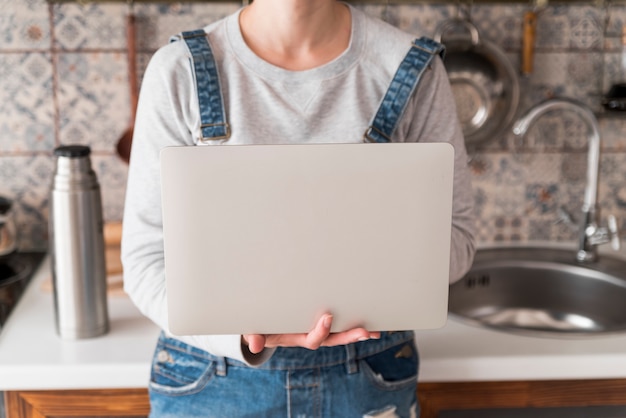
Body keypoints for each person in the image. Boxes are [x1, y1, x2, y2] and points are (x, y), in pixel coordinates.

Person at [121, 0, 476, 416]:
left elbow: (458, 242)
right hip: (212, 380)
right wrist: (244, 334)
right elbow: (146, 261)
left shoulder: (414, 69)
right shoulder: (178, 70)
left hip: (369, 381)